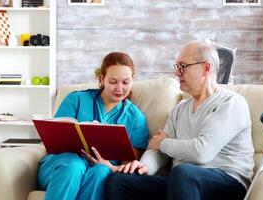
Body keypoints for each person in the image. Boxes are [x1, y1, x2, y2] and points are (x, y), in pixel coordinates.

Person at [105, 41, 254, 200]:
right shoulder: (180, 109)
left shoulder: (231, 103)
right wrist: (144, 167)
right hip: (181, 182)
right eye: (177, 67)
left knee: (183, 172)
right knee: (120, 180)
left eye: (183, 66)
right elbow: (157, 150)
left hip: (227, 182)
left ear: (206, 68)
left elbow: (201, 152)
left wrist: (163, 143)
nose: (177, 73)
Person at [37, 52, 149, 200]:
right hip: (62, 164)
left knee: (100, 172)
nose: (119, 88)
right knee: (74, 165)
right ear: (102, 79)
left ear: (132, 80)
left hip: (101, 169)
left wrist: (108, 165)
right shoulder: (75, 99)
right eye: (113, 82)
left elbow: (128, 162)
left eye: (126, 82)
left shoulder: (136, 118)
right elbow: (52, 140)